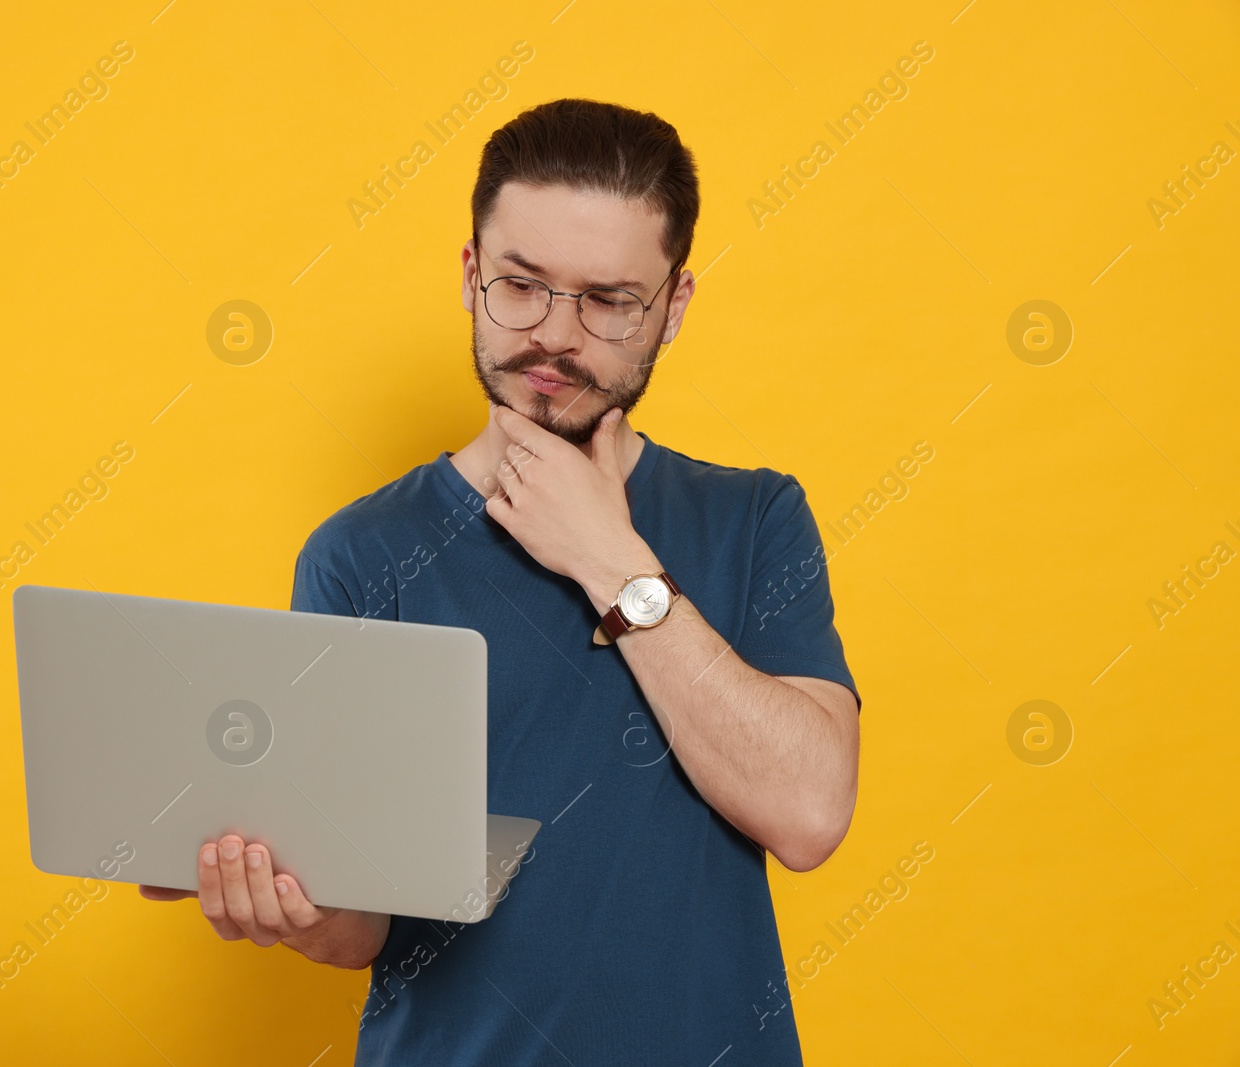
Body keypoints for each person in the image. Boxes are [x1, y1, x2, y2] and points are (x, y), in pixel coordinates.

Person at [140, 97, 861, 1065]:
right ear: (472, 275)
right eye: (521, 285)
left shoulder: (757, 517)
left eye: (608, 299)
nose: (555, 336)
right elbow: (361, 923)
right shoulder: (360, 553)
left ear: (673, 307)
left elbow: (809, 811)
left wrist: (609, 558)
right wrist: (291, 906)